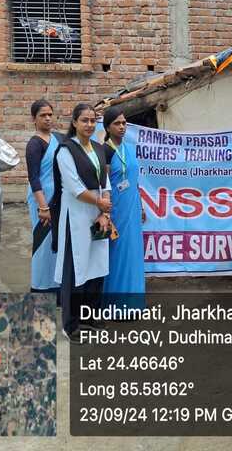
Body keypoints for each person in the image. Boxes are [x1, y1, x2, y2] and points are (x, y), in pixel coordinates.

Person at [51, 103, 112, 343]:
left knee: (97, 265)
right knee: (75, 267)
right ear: (74, 122)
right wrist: (100, 203)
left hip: (98, 214)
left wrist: (104, 212)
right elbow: (75, 188)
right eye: (84, 120)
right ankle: (71, 323)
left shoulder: (98, 148)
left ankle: (91, 314)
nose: (89, 124)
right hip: (75, 216)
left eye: (93, 120)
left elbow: (105, 182)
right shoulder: (66, 151)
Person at [102, 107, 146, 307]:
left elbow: (134, 181)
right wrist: (105, 213)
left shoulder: (129, 148)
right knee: (118, 254)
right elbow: (103, 185)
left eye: (124, 123)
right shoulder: (105, 151)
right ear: (107, 127)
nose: (121, 127)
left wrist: (142, 206)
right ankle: (116, 305)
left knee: (134, 254)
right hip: (116, 210)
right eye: (116, 123)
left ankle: (134, 303)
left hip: (133, 207)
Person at [25, 99, 63, 295]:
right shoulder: (34, 144)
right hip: (42, 199)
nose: (48, 118)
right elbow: (33, 177)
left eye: (50, 114)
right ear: (34, 119)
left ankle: (55, 284)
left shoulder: (57, 138)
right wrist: (43, 207)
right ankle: (39, 286)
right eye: (43, 115)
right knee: (42, 242)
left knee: (56, 242)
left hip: (58, 198)